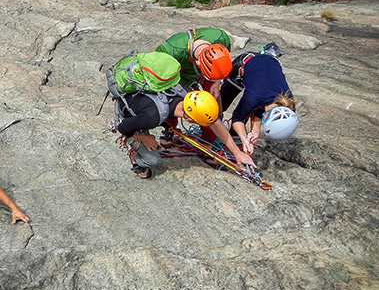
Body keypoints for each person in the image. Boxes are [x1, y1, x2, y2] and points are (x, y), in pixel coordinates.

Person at [115, 89, 256, 179]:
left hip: (142, 104)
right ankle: (136, 159)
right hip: (128, 113)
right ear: (189, 119)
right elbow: (123, 128)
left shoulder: (186, 95)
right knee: (153, 160)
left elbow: (214, 122)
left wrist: (237, 153)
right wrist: (144, 138)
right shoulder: (152, 117)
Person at [220, 48, 298, 154]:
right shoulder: (253, 97)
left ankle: (234, 141)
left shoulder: (289, 104)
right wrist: (244, 138)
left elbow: (264, 108)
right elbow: (237, 118)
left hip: (269, 64)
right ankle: (214, 135)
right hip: (245, 62)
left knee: (254, 106)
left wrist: (255, 131)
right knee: (221, 106)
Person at [155, 28, 233, 98]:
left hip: (208, 75)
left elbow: (219, 70)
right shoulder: (172, 51)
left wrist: (216, 83)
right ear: (197, 63)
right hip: (179, 76)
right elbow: (156, 67)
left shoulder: (221, 38)